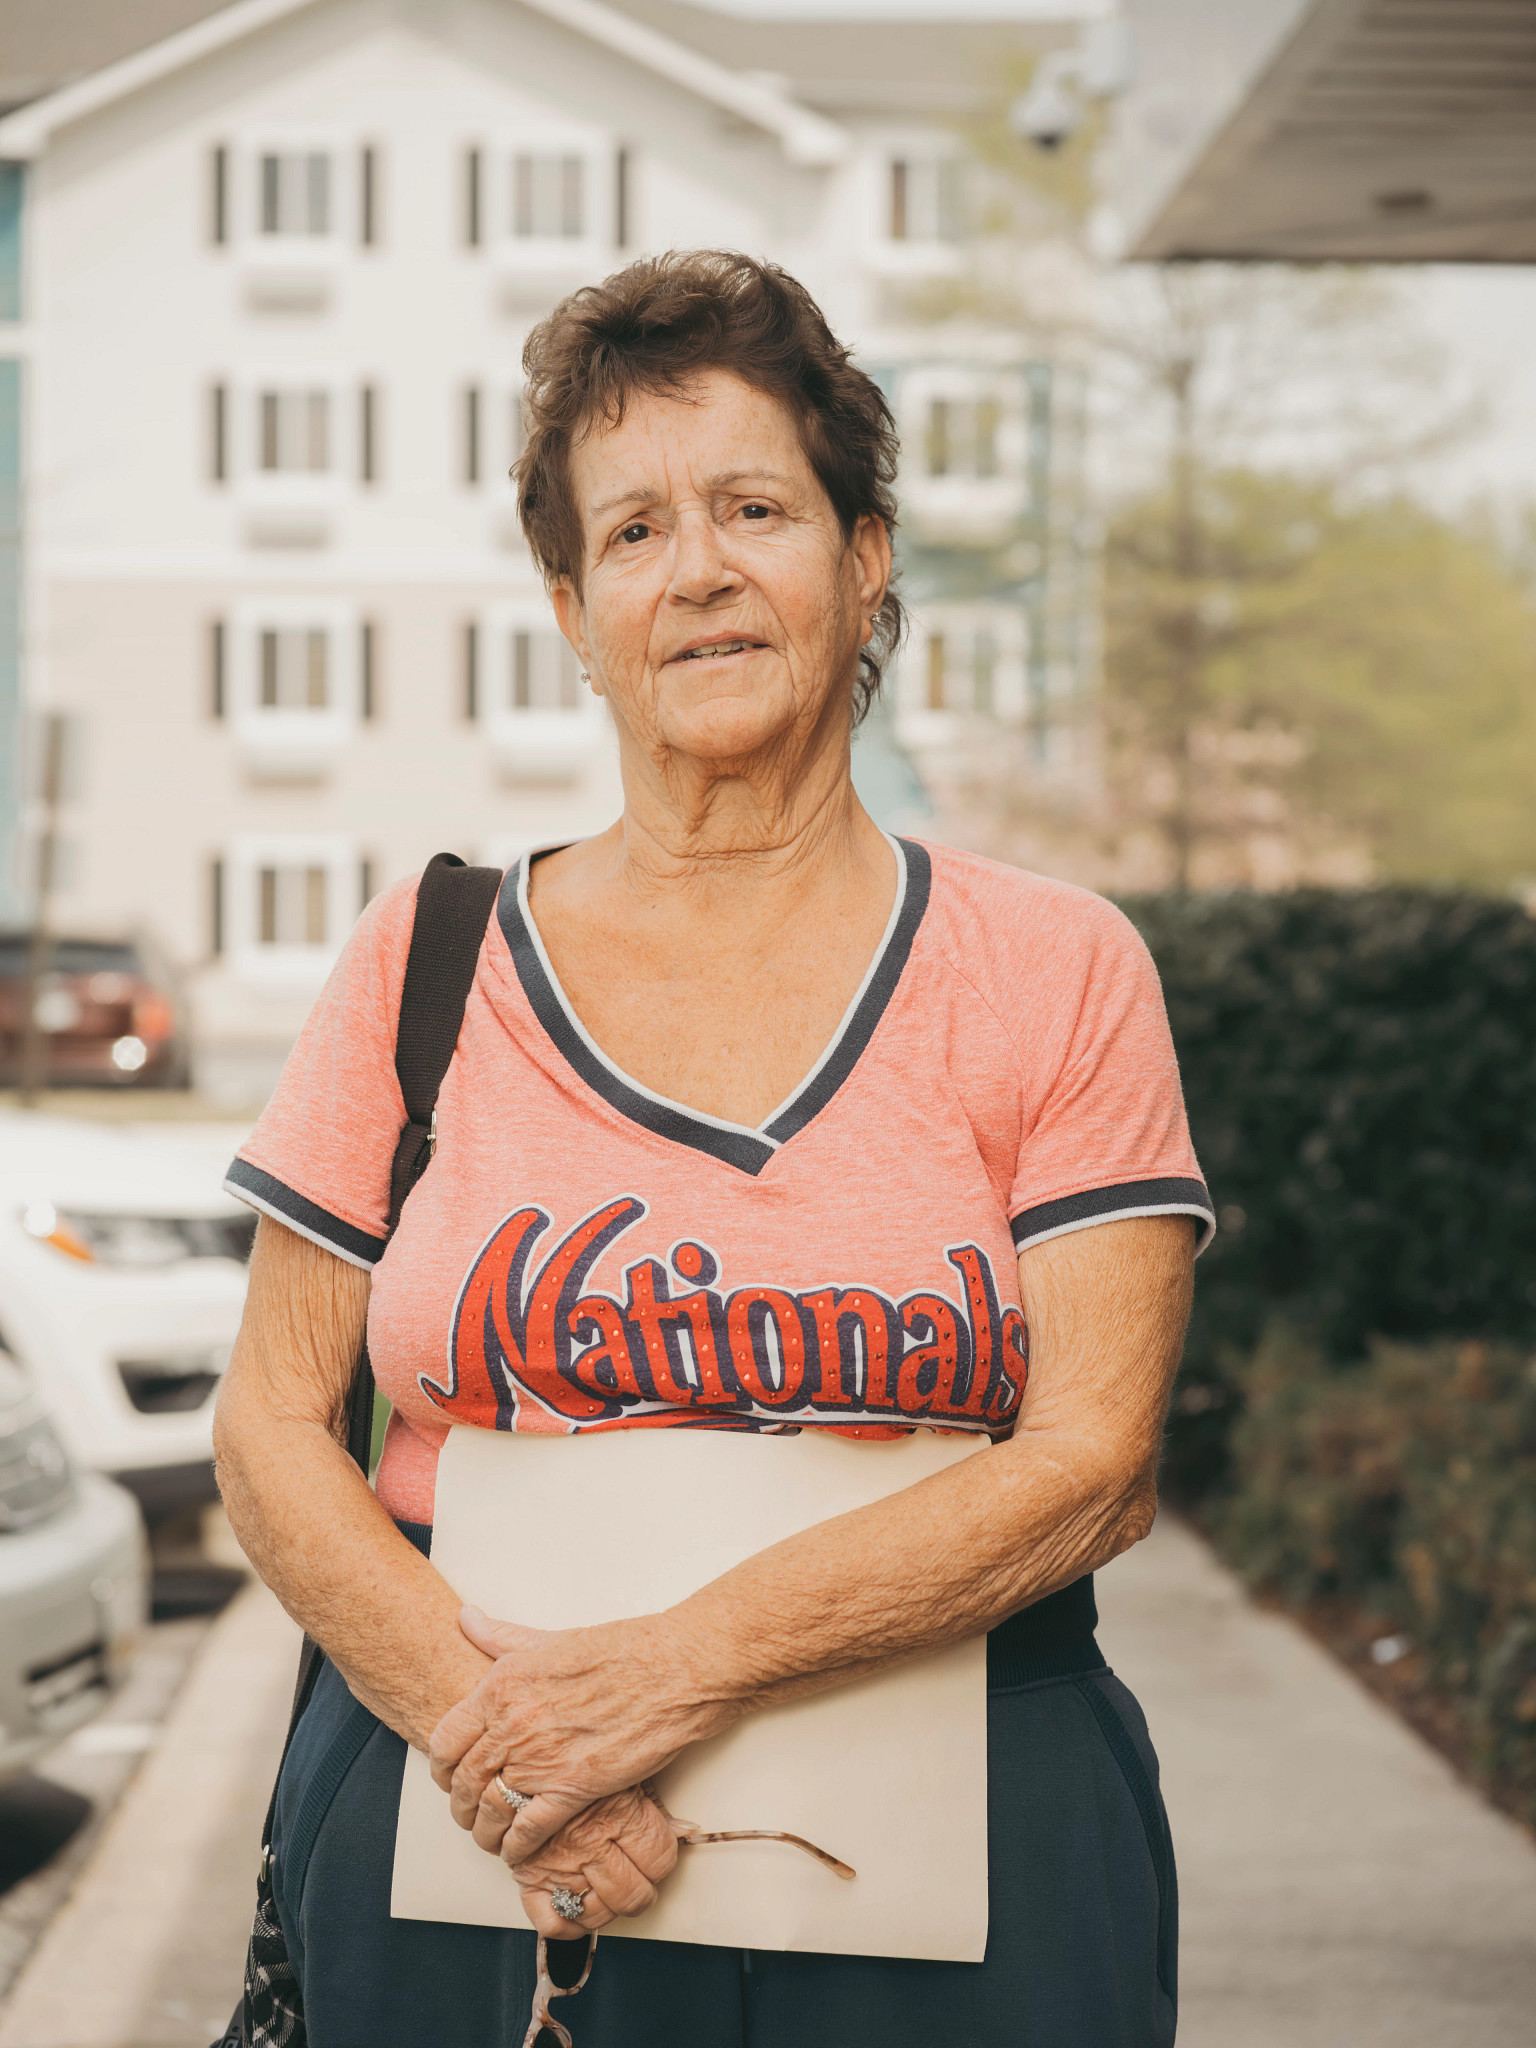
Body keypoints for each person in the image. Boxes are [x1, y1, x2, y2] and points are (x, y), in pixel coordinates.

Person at [215, 248, 1213, 2048]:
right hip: (473, 1825)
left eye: (756, 506)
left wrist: (667, 1678)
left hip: (972, 1821)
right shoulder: (423, 960)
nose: (699, 570)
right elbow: (274, 1424)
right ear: (574, 607)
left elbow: (1095, 1456)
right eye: (633, 532)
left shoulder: (1056, 967)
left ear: (864, 555)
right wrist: (507, 1739)